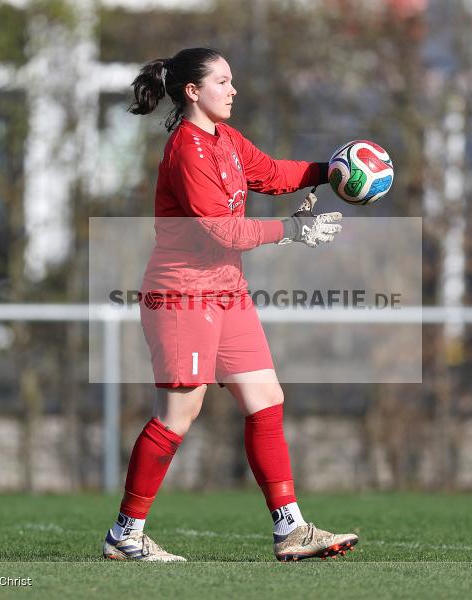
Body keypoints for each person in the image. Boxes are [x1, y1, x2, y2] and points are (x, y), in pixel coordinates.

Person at [102, 47, 357, 562]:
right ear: (192, 91)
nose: (233, 89)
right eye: (222, 81)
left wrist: (331, 170)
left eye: (232, 80)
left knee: (265, 397)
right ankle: (126, 533)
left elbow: (272, 173)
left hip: (226, 292)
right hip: (182, 293)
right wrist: (291, 231)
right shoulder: (186, 150)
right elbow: (222, 230)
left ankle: (291, 528)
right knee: (178, 413)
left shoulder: (227, 139)